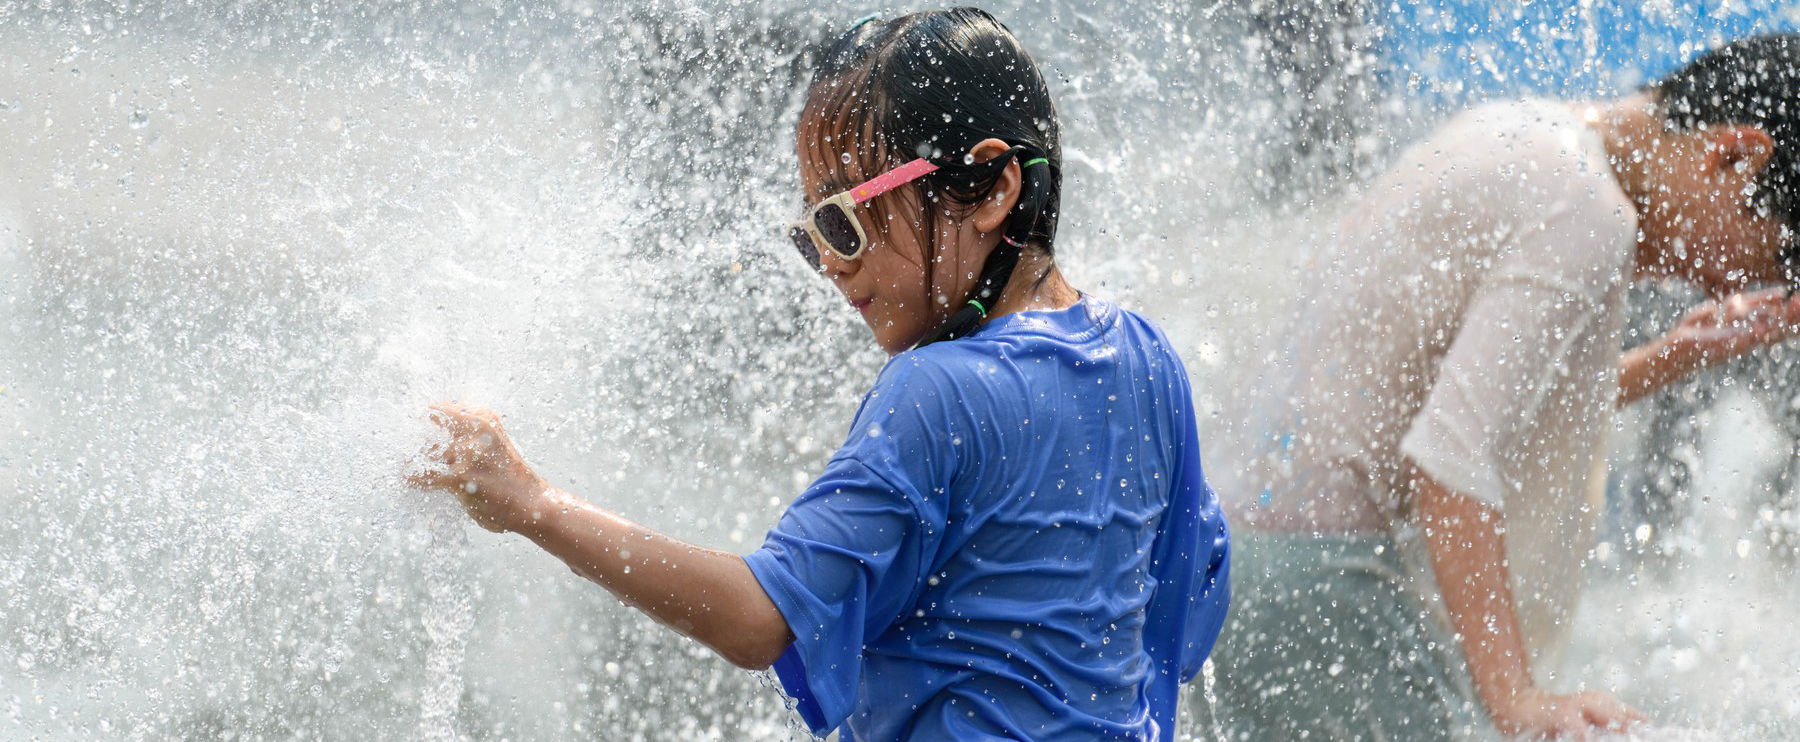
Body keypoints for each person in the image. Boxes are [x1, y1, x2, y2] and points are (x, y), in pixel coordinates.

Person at [409, 9, 1230, 741]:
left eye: (844, 219)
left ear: (990, 188)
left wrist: (530, 504)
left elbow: (760, 619)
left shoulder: (937, 391)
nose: (831, 265)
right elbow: (1190, 605)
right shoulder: (1147, 358)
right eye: (811, 235)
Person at [1203, 34, 1800, 741]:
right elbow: (1449, 458)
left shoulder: (1529, 134)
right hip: (1318, 583)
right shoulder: (1586, 209)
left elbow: (1466, 410)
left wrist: (1673, 355)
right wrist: (1517, 700)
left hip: (1235, 565)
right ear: (1732, 154)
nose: (1737, 282)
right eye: (1768, 256)